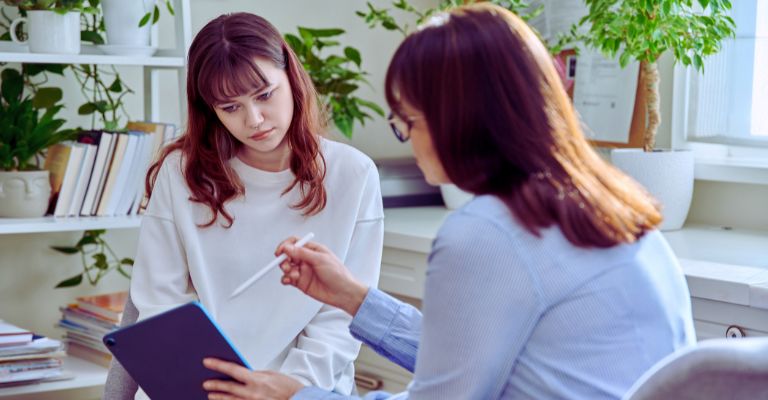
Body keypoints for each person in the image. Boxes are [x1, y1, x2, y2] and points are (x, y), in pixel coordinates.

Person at [200, 3, 696, 400]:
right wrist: (354, 298)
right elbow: (471, 354)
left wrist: (295, 396)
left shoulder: (486, 232)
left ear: (458, 119)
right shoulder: (603, 202)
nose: (407, 140)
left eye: (408, 122)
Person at [102, 12, 383, 399]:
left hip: (303, 391)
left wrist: (281, 390)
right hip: (199, 389)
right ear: (210, 110)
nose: (254, 120)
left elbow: (340, 320)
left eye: (265, 95)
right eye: (230, 107)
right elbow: (159, 305)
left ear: (291, 77)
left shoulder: (353, 174)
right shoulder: (181, 173)